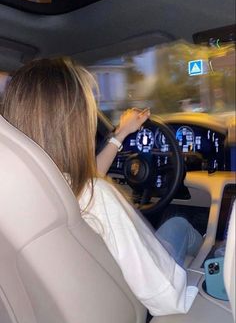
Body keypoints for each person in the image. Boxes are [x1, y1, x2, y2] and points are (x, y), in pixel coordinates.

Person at [2, 58, 202, 317]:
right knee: (179, 225)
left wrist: (119, 135)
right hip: (135, 303)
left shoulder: (23, 196)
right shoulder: (99, 197)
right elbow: (167, 298)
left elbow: (80, 181)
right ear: (75, 126)